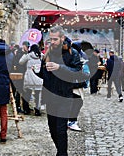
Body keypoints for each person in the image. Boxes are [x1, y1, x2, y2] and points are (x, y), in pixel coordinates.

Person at [36, 26, 89, 156]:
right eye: (51, 39)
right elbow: (45, 76)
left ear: (62, 38)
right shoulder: (48, 53)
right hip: (50, 96)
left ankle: (62, 154)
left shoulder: (72, 53)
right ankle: (61, 152)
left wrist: (59, 67)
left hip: (65, 96)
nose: (52, 42)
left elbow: (77, 73)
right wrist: (37, 71)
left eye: (55, 39)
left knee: (60, 129)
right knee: (52, 129)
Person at [19, 44, 43, 116]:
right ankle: (37, 110)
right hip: (39, 77)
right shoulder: (41, 56)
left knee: (26, 94)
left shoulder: (28, 55)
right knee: (38, 95)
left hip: (29, 78)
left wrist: (25, 54)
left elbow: (20, 62)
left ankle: (26, 109)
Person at [12, 41, 31, 115]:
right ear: (23, 46)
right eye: (27, 46)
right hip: (20, 74)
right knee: (19, 91)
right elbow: (16, 63)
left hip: (25, 74)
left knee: (24, 91)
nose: (28, 48)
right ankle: (18, 106)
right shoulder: (19, 54)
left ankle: (24, 106)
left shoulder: (25, 54)